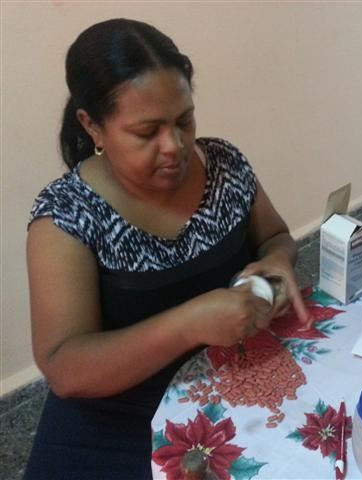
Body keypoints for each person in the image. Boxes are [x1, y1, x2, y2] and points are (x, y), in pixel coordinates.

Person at [24, 18, 311, 479]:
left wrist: (277, 261)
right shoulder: (67, 216)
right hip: (117, 416)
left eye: (184, 121)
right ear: (92, 125)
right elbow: (64, 368)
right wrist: (188, 324)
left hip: (226, 385)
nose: (174, 146)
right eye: (146, 132)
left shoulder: (224, 165)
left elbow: (275, 237)